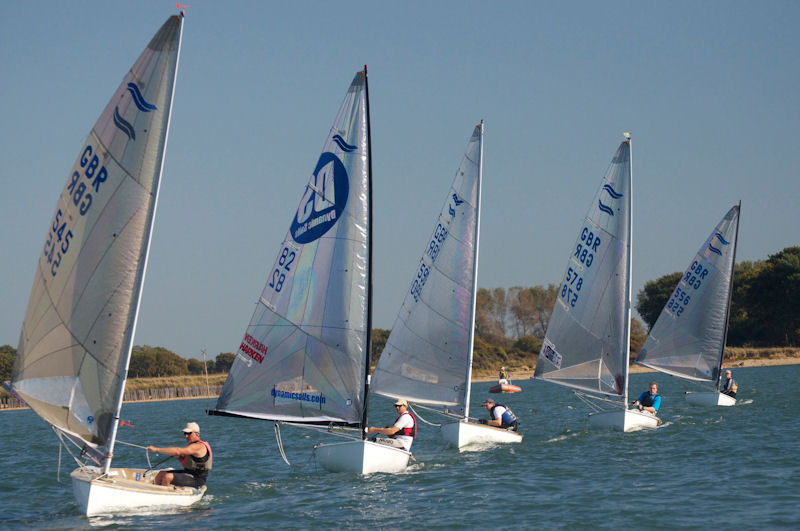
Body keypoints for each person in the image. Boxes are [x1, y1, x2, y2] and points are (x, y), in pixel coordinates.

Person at [146, 422, 212, 488]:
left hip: (197, 479)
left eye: (189, 433)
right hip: (188, 473)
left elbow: (178, 451)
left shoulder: (198, 446)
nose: (186, 436)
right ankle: (156, 492)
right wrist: (179, 457)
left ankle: (167, 496)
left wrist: (156, 449)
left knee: (167, 477)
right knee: (161, 474)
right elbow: (186, 465)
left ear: (197, 434)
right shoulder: (191, 446)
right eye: (185, 433)